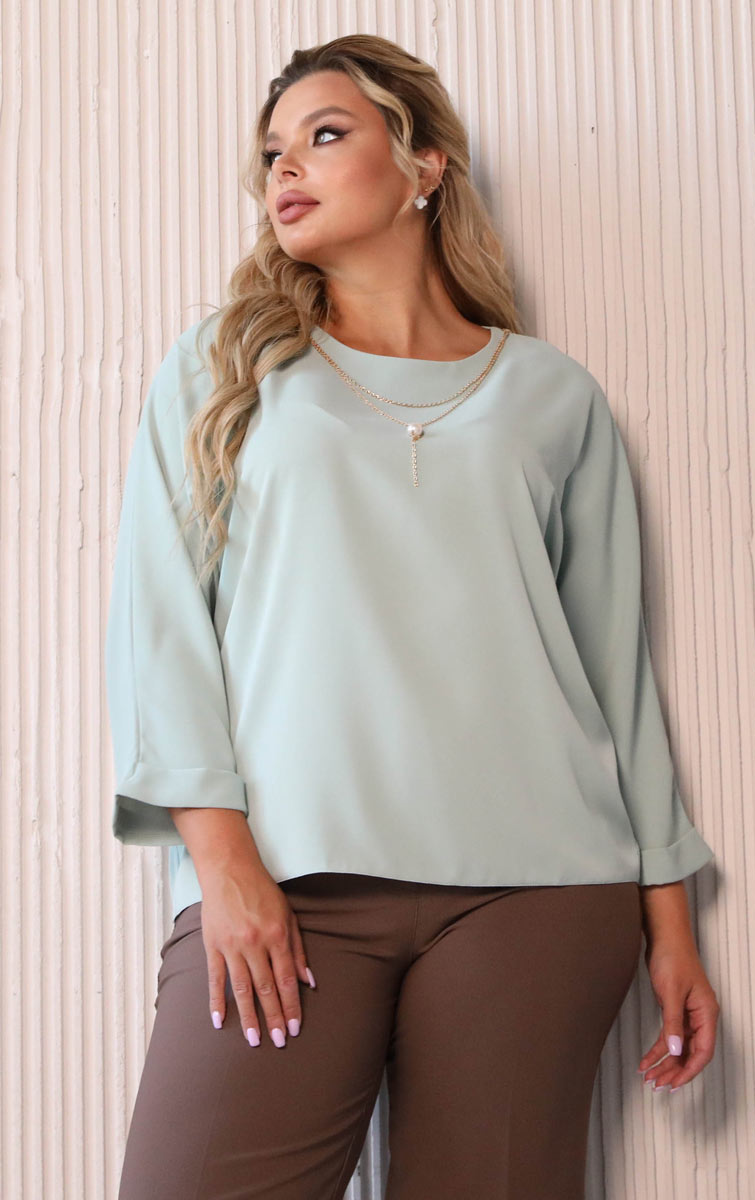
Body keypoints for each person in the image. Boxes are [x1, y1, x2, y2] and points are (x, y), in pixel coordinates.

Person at [105, 33, 719, 1200]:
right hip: (286, 876)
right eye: (271, 152)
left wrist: (668, 919)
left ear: (424, 163)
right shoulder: (224, 370)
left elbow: (614, 673)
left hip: (538, 891)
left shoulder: (552, 397)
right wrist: (222, 865)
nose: (285, 167)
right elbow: (160, 628)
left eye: (324, 134)